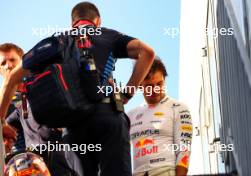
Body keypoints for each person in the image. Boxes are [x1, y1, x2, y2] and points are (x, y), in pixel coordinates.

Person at [0, 2, 155, 176]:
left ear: (72, 23)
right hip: (108, 117)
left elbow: (11, 80)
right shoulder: (109, 35)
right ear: (97, 21)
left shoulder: (56, 41)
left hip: (73, 128)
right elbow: (147, 53)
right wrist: (127, 92)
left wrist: (1, 121)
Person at [0, 43, 78, 176]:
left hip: (66, 164)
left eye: (12, 60)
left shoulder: (46, 84)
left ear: (23, 63)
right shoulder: (17, 107)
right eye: (3, 63)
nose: (8, 66)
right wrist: (4, 131)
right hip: (32, 168)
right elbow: (7, 127)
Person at [127, 57, 192, 176]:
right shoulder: (130, 114)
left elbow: (184, 150)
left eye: (159, 83)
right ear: (140, 85)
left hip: (165, 171)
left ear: (164, 80)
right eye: (149, 86)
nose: (155, 89)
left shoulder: (178, 107)